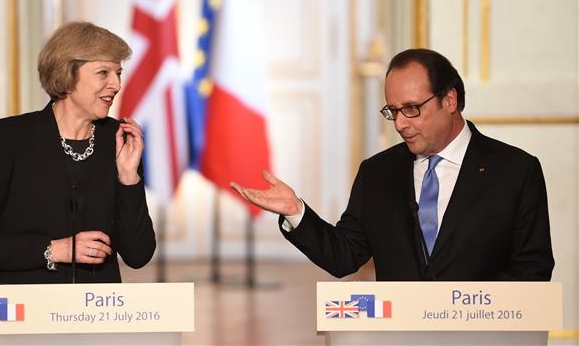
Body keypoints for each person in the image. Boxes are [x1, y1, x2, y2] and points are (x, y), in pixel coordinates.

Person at [231, 48, 554, 281]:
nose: (400, 123)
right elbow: (345, 256)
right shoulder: (377, 173)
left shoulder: (515, 171)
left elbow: (532, 268)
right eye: (392, 111)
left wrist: (462, 312)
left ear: (450, 100)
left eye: (411, 108)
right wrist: (296, 211)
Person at [0, 21, 156, 284]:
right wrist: (54, 250)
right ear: (68, 74)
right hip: (23, 312)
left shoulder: (118, 140)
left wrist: (128, 178)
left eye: (118, 73)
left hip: (96, 315)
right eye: (103, 72)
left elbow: (138, 255)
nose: (115, 84)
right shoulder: (11, 137)